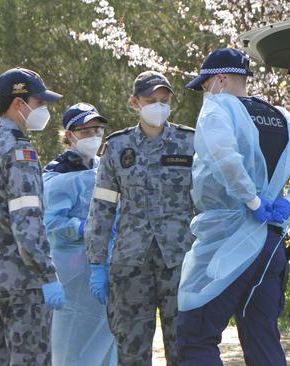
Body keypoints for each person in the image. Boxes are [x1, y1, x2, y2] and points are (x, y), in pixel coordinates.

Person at [176, 48, 290, 366]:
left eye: (205, 85)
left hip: (226, 241)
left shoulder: (218, 109)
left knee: (194, 336)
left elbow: (223, 158)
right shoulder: (282, 118)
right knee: (262, 337)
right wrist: (289, 201)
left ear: (220, 79)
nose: (204, 93)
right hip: (270, 244)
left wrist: (251, 200)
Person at [85, 71, 196, 365]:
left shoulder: (189, 143)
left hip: (180, 261)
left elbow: (207, 203)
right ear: (135, 103)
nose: (158, 106)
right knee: (132, 350)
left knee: (184, 348)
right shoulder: (117, 147)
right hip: (131, 264)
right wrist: (97, 262)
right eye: (151, 100)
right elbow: (102, 207)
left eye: (164, 100)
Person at [0, 67, 66, 365]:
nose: (43, 110)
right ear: (19, 104)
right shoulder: (18, 151)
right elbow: (27, 220)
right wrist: (47, 275)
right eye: (40, 103)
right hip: (24, 285)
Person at [42, 103, 117, 366]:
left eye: (97, 129)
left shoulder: (102, 166)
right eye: (85, 131)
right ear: (69, 135)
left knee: (106, 338)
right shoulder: (58, 173)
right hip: (72, 272)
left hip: (102, 267)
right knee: (70, 340)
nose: (93, 136)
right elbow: (51, 225)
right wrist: (85, 227)